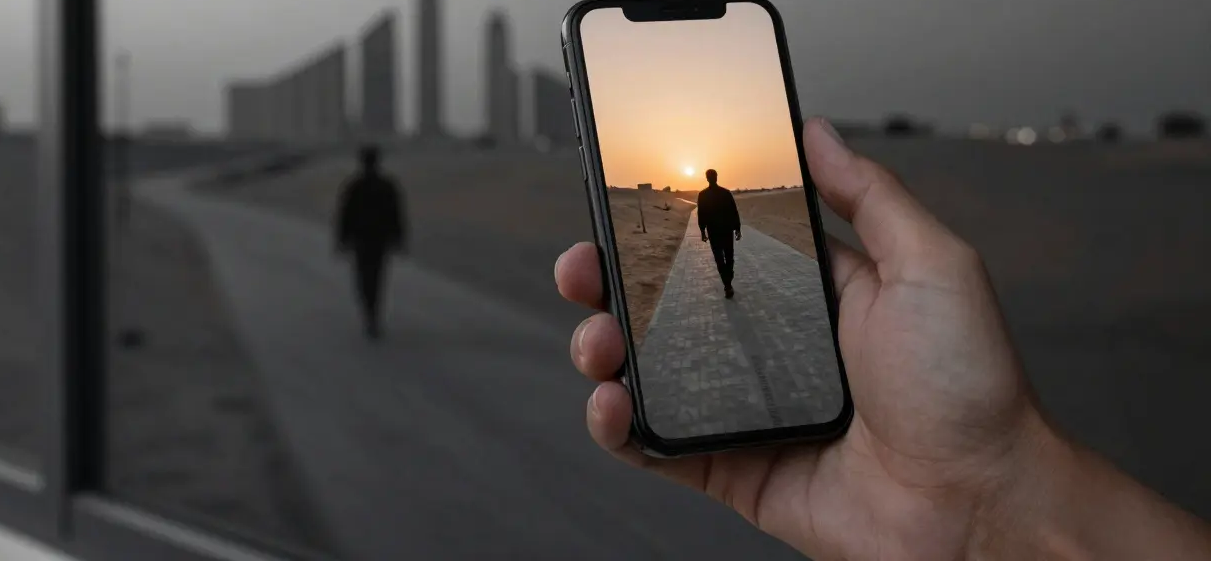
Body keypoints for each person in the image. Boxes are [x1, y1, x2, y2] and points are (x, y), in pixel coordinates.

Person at [554, 117, 1211, 560]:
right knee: (695, 286)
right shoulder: (715, 200)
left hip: (726, 243)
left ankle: (725, 278)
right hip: (726, 241)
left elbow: (709, 222)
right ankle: (725, 279)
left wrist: (989, 490)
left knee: (704, 278)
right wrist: (986, 506)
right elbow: (711, 222)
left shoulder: (709, 201)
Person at [334, 145, 406, 340]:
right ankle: (374, 315)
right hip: (379, 239)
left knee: (363, 278)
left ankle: (370, 314)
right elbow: (397, 214)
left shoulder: (354, 186)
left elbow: (344, 215)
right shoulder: (387, 185)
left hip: (362, 240)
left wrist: (341, 240)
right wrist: (399, 238)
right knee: (378, 278)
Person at [696, 168, 742, 298]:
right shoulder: (725, 193)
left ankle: (727, 284)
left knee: (721, 259)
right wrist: (737, 228)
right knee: (728, 258)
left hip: (717, 232)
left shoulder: (704, 195)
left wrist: (702, 231)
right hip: (724, 231)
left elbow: (701, 215)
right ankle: (728, 283)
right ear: (716, 177)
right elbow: (734, 212)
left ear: (707, 178)